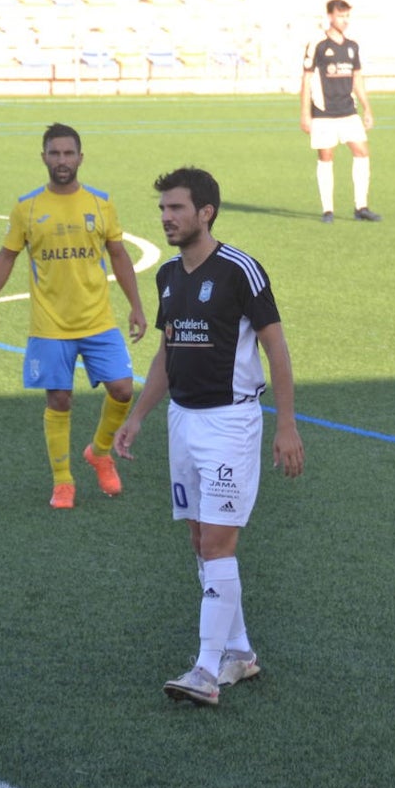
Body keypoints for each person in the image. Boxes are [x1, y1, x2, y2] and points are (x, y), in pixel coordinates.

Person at [113, 167, 305, 707]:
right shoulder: (168, 276)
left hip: (230, 424)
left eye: (176, 208)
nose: (166, 218)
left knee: (219, 542)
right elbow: (167, 352)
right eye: (162, 210)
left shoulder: (240, 271)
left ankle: (203, 669)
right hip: (183, 420)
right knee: (201, 541)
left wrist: (285, 424)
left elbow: (277, 350)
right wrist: (138, 416)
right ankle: (239, 655)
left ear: (206, 213)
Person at [0, 122, 147, 510]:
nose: (62, 160)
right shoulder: (28, 207)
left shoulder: (101, 203)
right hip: (50, 325)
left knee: (122, 389)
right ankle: (63, 481)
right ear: (44, 158)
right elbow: (6, 256)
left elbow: (119, 254)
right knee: (60, 399)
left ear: (81, 158)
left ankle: (99, 452)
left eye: (69, 153)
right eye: (55, 153)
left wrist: (136, 305)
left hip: (99, 320)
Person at [300, 0, 381, 224]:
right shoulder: (317, 44)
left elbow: (357, 78)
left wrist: (367, 108)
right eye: (340, 16)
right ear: (330, 17)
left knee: (362, 152)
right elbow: (306, 79)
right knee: (326, 157)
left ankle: (361, 206)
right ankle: (328, 210)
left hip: (348, 110)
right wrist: (305, 114)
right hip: (324, 112)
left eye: (347, 16)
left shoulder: (352, 46)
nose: (344, 21)